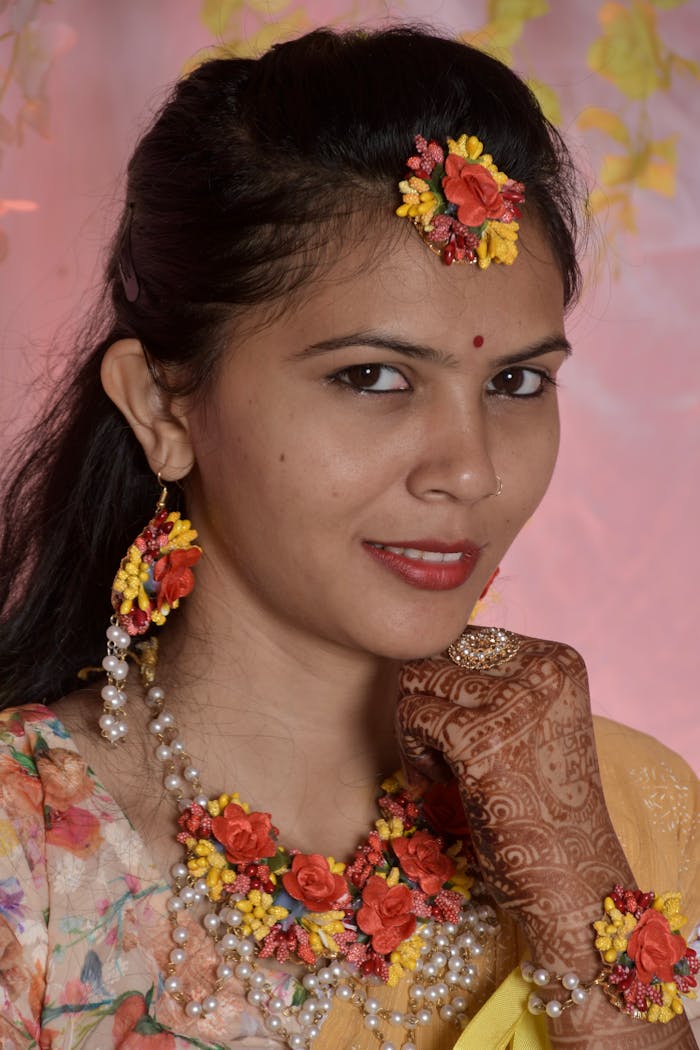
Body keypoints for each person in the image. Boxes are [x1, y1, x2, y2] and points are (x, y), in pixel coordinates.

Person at [0, 25, 697, 1050]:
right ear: (162, 407)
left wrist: (572, 878)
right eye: (372, 377)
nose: (468, 468)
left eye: (515, 382)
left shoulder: (633, 810)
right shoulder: (30, 859)